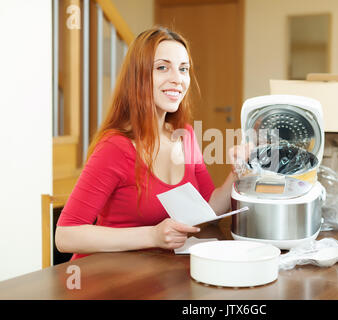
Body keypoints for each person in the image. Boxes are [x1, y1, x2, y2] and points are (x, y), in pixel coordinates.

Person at [55, 26, 248, 260]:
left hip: (155, 274)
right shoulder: (115, 147)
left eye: (183, 69)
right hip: (105, 278)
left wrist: (237, 171)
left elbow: (207, 210)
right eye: (162, 67)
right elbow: (65, 235)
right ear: (138, 76)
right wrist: (153, 236)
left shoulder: (184, 135)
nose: (177, 79)